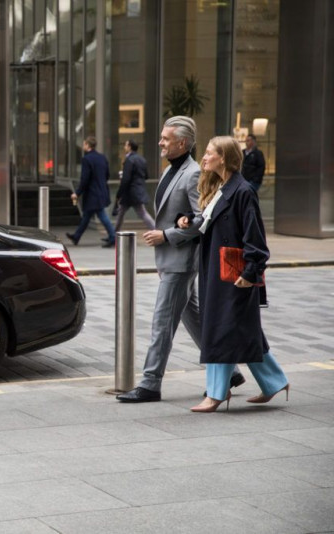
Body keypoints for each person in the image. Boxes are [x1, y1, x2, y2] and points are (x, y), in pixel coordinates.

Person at [117, 116, 245, 403]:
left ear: (182, 143)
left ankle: (150, 383)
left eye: (166, 139)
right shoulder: (169, 170)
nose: (160, 142)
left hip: (181, 261)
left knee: (162, 323)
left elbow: (203, 220)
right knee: (196, 319)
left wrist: (167, 236)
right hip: (170, 259)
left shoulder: (193, 174)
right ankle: (231, 371)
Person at [177, 136, 288, 412]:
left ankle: (216, 393)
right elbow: (210, 223)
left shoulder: (243, 191)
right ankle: (274, 382)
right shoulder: (222, 188)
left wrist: (250, 272)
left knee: (221, 330)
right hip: (217, 272)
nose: (204, 157)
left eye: (209, 153)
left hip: (234, 276)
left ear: (224, 158)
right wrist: (189, 219)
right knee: (242, 331)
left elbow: (255, 238)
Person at [65, 136, 116, 248]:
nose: (83, 146)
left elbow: (85, 179)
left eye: (84, 144)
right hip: (101, 190)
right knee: (87, 216)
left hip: (92, 193)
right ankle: (76, 236)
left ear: (88, 145)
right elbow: (107, 174)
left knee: (101, 215)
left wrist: (77, 193)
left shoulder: (86, 159)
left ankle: (113, 237)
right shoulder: (102, 157)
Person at [112, 139, 156, 234]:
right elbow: (146, 176)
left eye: (126, 145)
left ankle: (156, 230)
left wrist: (119, 193)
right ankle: (113, 234)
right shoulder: (142, 159)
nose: (124, 147)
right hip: (137, 191)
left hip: (131, 192)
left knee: (141, 213)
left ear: (129, 147)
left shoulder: (129, 160)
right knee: (122, 212)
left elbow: (126, 179)